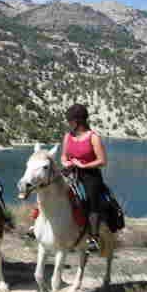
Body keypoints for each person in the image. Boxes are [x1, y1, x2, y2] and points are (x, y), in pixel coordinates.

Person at [60, 103, 108, 251]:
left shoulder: (94, 137)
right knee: (49, 186)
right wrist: (66, 162)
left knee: (91, 199)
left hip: (90, 174)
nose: (68, 123)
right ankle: (36, 222)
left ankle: (94, 237)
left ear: (78, 121)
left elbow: (102, 161)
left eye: (70, 120)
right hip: (70, 171)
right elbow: (63, 156)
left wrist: (84, 166)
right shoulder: (68, 136)